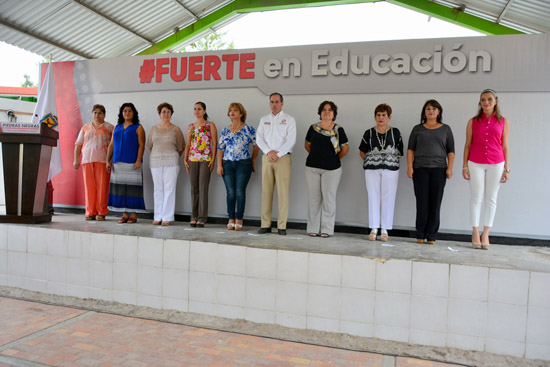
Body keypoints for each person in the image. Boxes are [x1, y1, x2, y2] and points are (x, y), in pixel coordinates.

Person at [462, 89, 510, 250]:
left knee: (491, 198)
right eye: (483, 100)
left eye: (489, 99)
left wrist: (507, 169)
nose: (486, 102)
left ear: (495, 101)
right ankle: (475, 232)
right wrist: (464, 165)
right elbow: (467, 144)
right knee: (476, 197)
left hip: (496, 162)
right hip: (475, 162)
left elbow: (504, 146)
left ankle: (486, 233)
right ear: (480, 103)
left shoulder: (503, 121)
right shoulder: (473, 121)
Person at [407, 100, 455, 245]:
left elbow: (451, 151)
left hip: (439, 170)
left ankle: (432, 236)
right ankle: (420, 234)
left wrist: (450, 168)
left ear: (439, 112)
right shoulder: (417, 129)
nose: (431, 111)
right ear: (424, 112)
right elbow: (410, 150)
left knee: (435, 203)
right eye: (428, 109)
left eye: (434, 109)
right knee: (422, 202)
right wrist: (410, 167)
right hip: (420, 169)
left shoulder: (446, 129)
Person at [359, 103, 403, 242]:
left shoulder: (395, 132)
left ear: (389, 117)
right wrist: (371, 160)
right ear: (375, 117)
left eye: (384, 115)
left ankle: (385, 229)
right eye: (378, 115)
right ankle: (373, 228)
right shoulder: (369, 132)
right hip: (372, 169)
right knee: (373, 195)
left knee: (388, 197)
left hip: (391, 169)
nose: (381, 117)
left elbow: (400, 151)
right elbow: (362, 150)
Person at [304, 101, 349, 238]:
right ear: (320, 112)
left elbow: (345, 149)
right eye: (324, 110)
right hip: (312, 168)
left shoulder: (339, 129)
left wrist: (332, 158)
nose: (327, 112)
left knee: (329, 199)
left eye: (330, 110)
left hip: (332, 169)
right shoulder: (313, 128)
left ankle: (327, 229)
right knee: (314, 198)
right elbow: (307, 146)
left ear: (334, 113)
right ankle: (313, 228)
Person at [256, 93, 297, 236]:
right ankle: (265, 224)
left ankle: (282, 226)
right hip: (267, 158)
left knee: (283, 192)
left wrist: (277, 154)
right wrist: (269, 152)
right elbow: (259, 139)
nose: (274, 104)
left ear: (282, 103)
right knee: (266, 192)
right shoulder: (264, 119)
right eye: (272, 102)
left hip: (283, 158)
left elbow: (291, 140)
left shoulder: (289, 120)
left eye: (277, 102)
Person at [217, 102, 259, 231]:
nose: (232, 112)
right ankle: (231, 218)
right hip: (227, 163)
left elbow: (256, 145)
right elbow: (220, 148)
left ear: (241, 113)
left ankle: (239, 218)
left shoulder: (249, 129)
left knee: (240, 192)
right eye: (230, 111)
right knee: (230, 192)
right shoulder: (225, 130)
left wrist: (252, 160)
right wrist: (219, 165)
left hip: (243, 163)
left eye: (235, 110)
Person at [107, 102, 146, 223]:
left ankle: (133, 215)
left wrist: (138, 160)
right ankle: (124, 214)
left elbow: (141, 145)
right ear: (121, 113)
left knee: (133, 189)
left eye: (129, 111)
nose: (127, 113)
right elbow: (111, 145)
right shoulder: (117, 127)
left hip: (132, 163)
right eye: (125, 111)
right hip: (118, 163)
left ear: (133, 113)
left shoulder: (138, 127)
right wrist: (107, 160)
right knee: (120, 189)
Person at [73, 104, 114, 221]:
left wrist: (110, 160)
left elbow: (114, 145)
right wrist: (76, 159)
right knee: (89, 187)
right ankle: (90, 212)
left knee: (102, 187)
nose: (97, 115)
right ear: (92, 114)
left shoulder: (110, 127)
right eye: (95, 112)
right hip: (87, 160)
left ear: (104, 114)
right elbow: (78, 144)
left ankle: (101, 212)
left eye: (100, 113)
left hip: (103, 161)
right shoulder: (85, 127)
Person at [147, 102, 184, 226]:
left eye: (168, 112)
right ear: (159, 114)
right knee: (158, 188)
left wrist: (171, 155)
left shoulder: (176, 129)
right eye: (163, 112)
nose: (166, 114)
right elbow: (150, 146)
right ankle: (157, 216)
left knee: (169, 188)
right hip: (156, 161)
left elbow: (181, 147)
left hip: (172, 161)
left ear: (171, 114)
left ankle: (167, 217)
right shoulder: (153, 129)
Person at [184, 102, 217, 227]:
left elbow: (214, 143)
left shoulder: (210, 125)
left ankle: (202, 217)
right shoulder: (191, 126)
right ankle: (194, 215)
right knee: (194, 188)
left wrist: (213, 159)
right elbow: (188, 144)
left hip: (205, 159)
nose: (196, 111)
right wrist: (185, 159)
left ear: (204, 111)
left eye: (199, 109)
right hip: (192, 159)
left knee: (203, 188)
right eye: (195, 109)